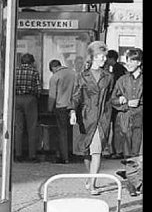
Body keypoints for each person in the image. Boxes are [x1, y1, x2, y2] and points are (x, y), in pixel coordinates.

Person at [70, 41, 114, 195]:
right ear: (93, 57)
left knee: (97, 151)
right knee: (87, 151)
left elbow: (110, 97)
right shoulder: (81, 76)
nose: (104, 59)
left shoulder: (108, 77)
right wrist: (73, 112)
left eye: (105, 56)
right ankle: (90, 178)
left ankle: (93, 184)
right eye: (101, 56)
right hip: (86, 117)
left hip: (102, 118)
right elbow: (76, 96)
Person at [111, 48, 143, 169]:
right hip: (126, 121)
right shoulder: (122, 80)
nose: (127, 64)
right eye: (127, 61)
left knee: (139, 155)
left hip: (139, 121)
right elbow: (112, 100)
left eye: (131, 61)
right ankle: (132, 183)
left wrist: (139, 101)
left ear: (139, 62)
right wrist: (121, 101)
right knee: (128, 156)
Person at [13, 53, 41, 162]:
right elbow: (38, 88)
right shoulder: (34, 72)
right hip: (30, 99)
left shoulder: (15, 71)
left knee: (18, 128)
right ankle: (32, 155)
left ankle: (18, 154)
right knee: (32, 128)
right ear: (32, 62)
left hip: (17, 98)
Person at [47, 59, 76, 164]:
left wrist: (49, 109)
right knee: (71, 132)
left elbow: (52, 96)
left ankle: (64, 157)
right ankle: (71, 153)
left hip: (61, 107)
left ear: (53, 68)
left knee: (62, 132)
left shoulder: (55, 77)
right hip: (73, 106)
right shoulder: (73, 73)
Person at [104, 50, 127, 159]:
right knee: (115, 127)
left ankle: (117, 150)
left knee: (117, 127)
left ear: (111, 58)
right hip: (117, 101)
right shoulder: (118, 68)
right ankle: (115, 150)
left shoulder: (117, 69)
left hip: (116, 102)